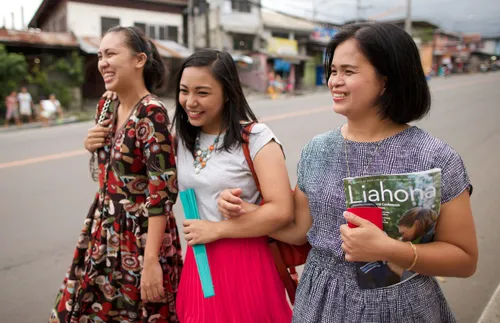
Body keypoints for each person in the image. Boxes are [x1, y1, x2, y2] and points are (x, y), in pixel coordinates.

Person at [218, 22, 478, 322]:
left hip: (401, 307)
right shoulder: (317, 149)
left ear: (386, 80)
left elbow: (465, 259)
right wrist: (247, 211)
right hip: (320, 303)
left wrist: (391, 249)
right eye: (333, 71)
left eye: (348, 72)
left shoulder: (435, 157)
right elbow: (299, 230)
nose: (334, 81)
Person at [49, 26, 181, 323]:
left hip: (142, 237)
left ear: (139, 60)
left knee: (138, 313)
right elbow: (106, 171)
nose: (102, 62)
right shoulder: (106, 104)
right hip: (102, 229)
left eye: (111, 54)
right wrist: (90, 143)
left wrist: (150, 263)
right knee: (77, 310)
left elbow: (162, 192)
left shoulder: (152, 113)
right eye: (99, 55)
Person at [173, 49, 293, 322]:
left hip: (246, 259)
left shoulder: (256, 137)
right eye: (184, 91)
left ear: (227, 93)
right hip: (199, 259)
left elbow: (282, 210)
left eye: (202, 93)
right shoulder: (182, 140)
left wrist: (217, 229)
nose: (190, 102)